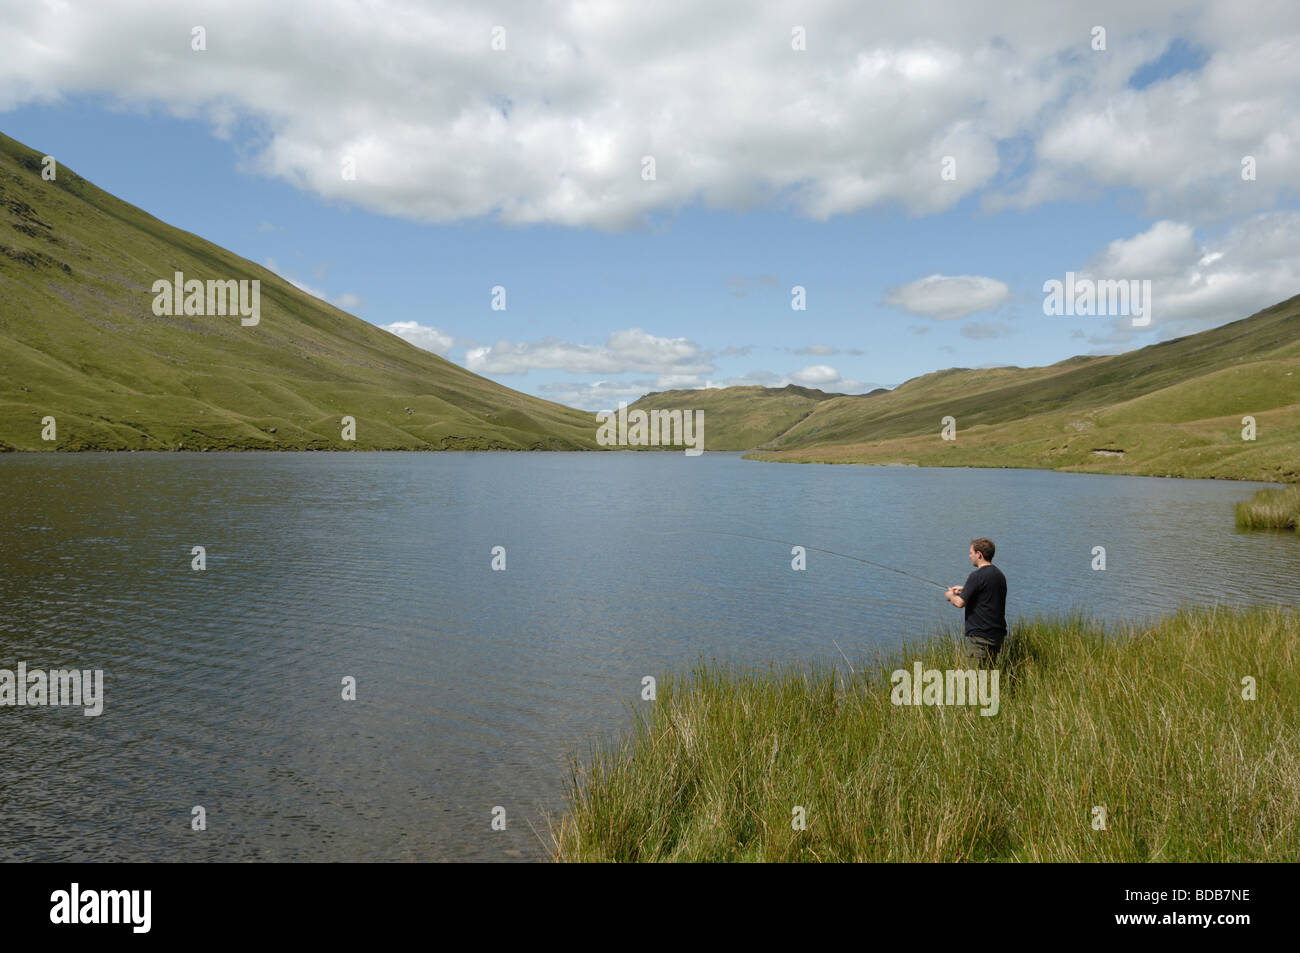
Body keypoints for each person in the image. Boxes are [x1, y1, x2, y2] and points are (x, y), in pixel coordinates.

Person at [945, 538, 1008, 664]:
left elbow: (959, 603)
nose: (970, 556)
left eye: (971, 553)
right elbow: (986, 592)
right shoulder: (999, 575)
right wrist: (965, 589)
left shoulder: (976, 576)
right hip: (996, 636)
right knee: (989, 676)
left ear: (979, 554)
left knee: (976, 680)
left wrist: (950, 595)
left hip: (980, 638)